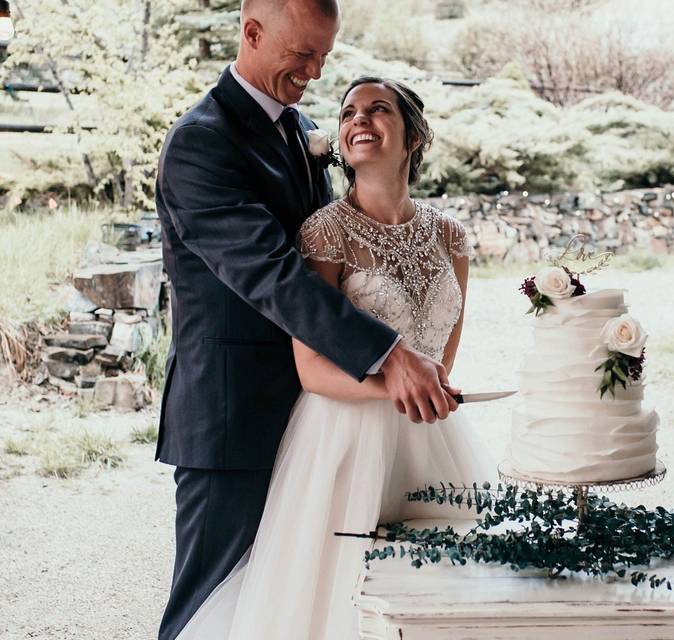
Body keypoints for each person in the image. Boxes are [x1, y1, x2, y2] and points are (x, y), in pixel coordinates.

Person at [154, 2, 460, 638]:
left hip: (317, 422)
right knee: (211, 607)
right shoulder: (200, 141)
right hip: (232, 416)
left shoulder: (301, 129)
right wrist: (389, 351)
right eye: (303, 56)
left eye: (324, 55)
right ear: (253, 32)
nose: (317, 73)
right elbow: (272, 272)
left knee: (297, 603)